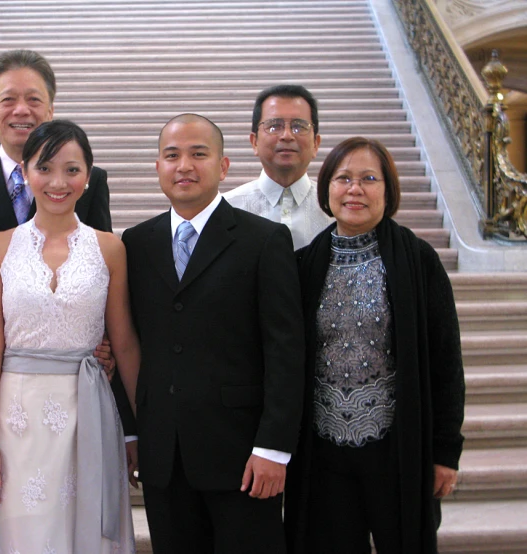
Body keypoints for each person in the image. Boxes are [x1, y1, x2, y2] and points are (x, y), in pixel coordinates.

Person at [121, 114, 305, 554]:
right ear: (158, 167)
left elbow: (286, 350)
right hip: (165, 454)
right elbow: (129, 343)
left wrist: (274, 448)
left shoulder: (264, 241)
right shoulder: (136, 243)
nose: (184, 165)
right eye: (172, 155)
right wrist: (132, 433)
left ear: (222, 167)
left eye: (198, 154)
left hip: (242, 455)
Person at [286, 137, 465, 554]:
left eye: (369, 178)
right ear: (327, 188)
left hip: (398, 449)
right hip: (322, 452)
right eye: (343, 178)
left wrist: (446, 451)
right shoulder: (302, 265)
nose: (355, 189)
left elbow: (445, 363)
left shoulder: (419, 261)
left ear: (388, 190)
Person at [0, 120, 139, 554]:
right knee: (21, 531)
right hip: (15, 417)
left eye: (72, 169)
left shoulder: (109, 248)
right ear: (25, 172)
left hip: (88, 411)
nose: (58, 182)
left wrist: (141, 427)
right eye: (45, 168)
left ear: (88, 176)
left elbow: (123, 344)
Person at [0, 49, 111, 257]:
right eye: (8, 99)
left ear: (50, 112)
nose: (21, 110)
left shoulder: (87, 181)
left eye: (34, 100)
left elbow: (101, 261)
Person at [224, 85, 333, 249]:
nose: (287, 135)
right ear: (254, 142)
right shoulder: (226, 210)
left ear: (316, 144)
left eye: (299, 126)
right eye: (274, 126)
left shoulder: (336, 210)